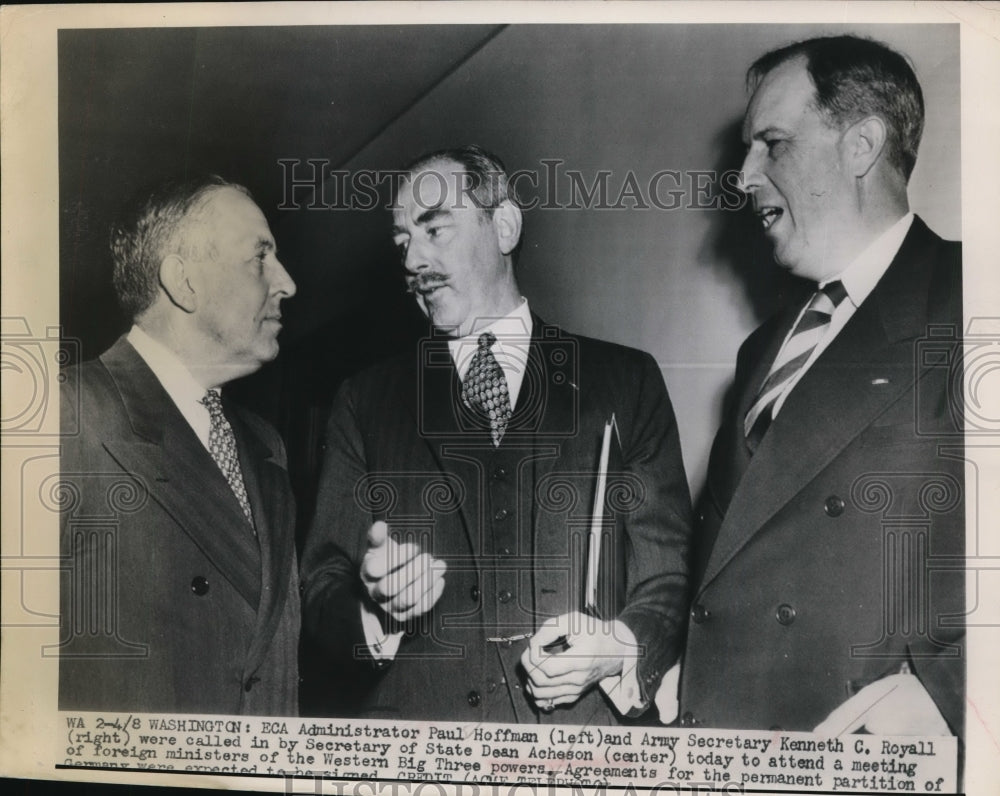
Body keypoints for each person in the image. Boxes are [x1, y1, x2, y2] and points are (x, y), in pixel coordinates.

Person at [300, 145, 692, 724]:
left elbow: (668, 574)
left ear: (503, 225)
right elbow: (321, 582)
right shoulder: (364, 400)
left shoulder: (625, 381)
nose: (413, 260)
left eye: (435, 228)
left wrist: (618, 649)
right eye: (403, 241)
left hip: (581, 754)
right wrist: (377, 611)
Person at [678, 36, 964, 739]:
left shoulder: (974, 296)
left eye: (770, 143)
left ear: (861, 144)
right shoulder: (762, 351)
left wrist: (950, 699)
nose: (742, 177)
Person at [58, 175, 301, 715]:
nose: (286, 283)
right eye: (260, 259)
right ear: (184, 283)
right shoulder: (63, 413)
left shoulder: (266, 446)